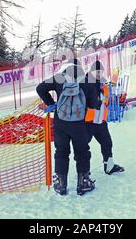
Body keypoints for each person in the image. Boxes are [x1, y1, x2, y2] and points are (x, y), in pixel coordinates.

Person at [36, 59, 100, 196]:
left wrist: (52, 104)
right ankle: (83, 183)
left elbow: (40, 88)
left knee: (61, 151)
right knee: (82, 152)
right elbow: (94, 103)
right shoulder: (86, 79)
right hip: (79, 124)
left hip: (61, 123)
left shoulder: (59, 77)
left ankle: (61, 184)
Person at [85, 61, 124, 175]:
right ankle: (83, 173)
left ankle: (109, 166)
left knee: (107, 142)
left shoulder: (102, 83)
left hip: (100, 120)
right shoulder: (85, 82)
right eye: (96, 72)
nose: (99, 74)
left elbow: (106, 98)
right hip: (88, 121)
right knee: (83, 147)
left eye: (100, 72)